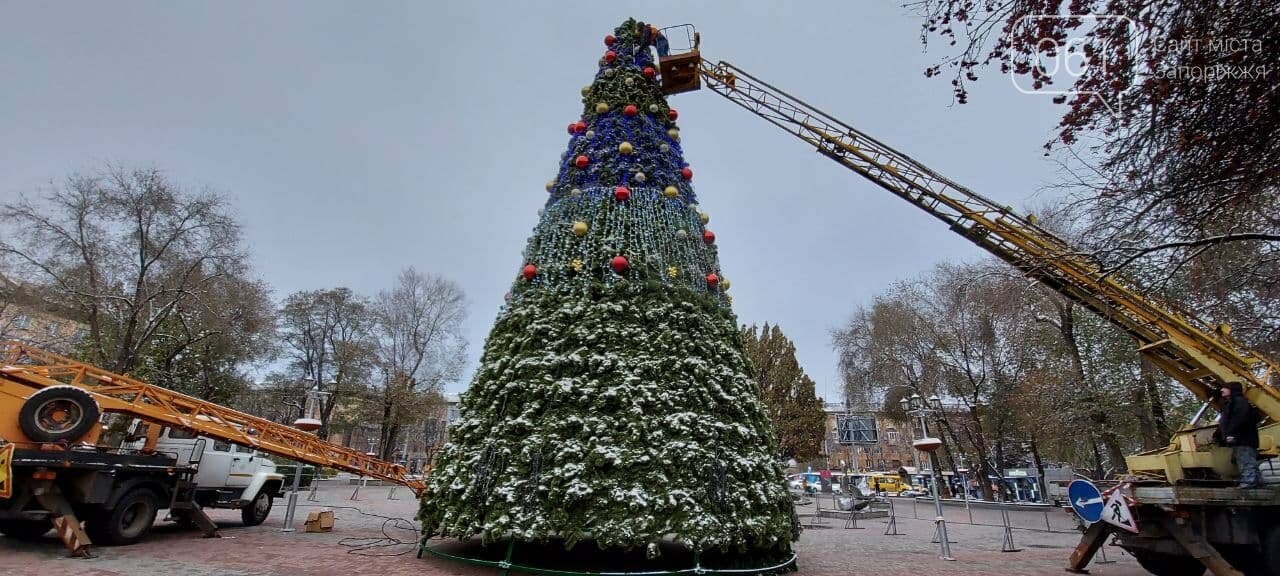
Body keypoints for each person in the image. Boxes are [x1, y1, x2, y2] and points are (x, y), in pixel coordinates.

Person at [1217, 381, 1263, 488]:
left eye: (1225, 388)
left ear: (1232, 390)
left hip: (1243, 438)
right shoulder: (1234, 403)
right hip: (1242, 438)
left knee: (1245, 460)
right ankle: (1257, 483)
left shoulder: (1239, 402)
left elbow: (1239, 419)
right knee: (1245, 460)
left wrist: (1230, 433)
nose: (1221, 390)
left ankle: (1249, 483)